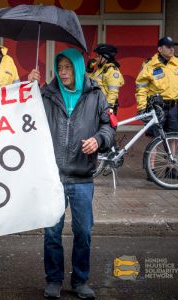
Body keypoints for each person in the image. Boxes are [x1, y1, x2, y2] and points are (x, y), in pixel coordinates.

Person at [28, 48, 115, 299]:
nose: (63, 72)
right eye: (60, 67)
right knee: (52, 233)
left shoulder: (95, 95)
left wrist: (99, 140)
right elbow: (22, 110)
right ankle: (53, 280)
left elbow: (108, 126)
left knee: (84, 232)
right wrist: (27, 86)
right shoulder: (45, 93)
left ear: (77, 68)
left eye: (68, 67)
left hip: (81, 178)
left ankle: (80, 280)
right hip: (52, 177)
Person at [136, 36, 178, 136]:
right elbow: (141, 88)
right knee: (155, 138)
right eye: (168, 47)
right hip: (156, 107)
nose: (172, 49)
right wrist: (142, 107)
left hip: (173, 107)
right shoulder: (149, 64)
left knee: (173, 137)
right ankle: (153, 152)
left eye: (173, 46)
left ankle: (171, 153)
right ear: (160, 49)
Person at [87, 43, 124, 115]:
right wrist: (89, 70)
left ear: (105, 57)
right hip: (95, 105)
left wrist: (109, 108)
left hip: (104, 107)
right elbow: (90, 83)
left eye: (98, 56)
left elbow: (113, 92)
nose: (96, 58)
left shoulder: (112, 72)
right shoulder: (100, 69)